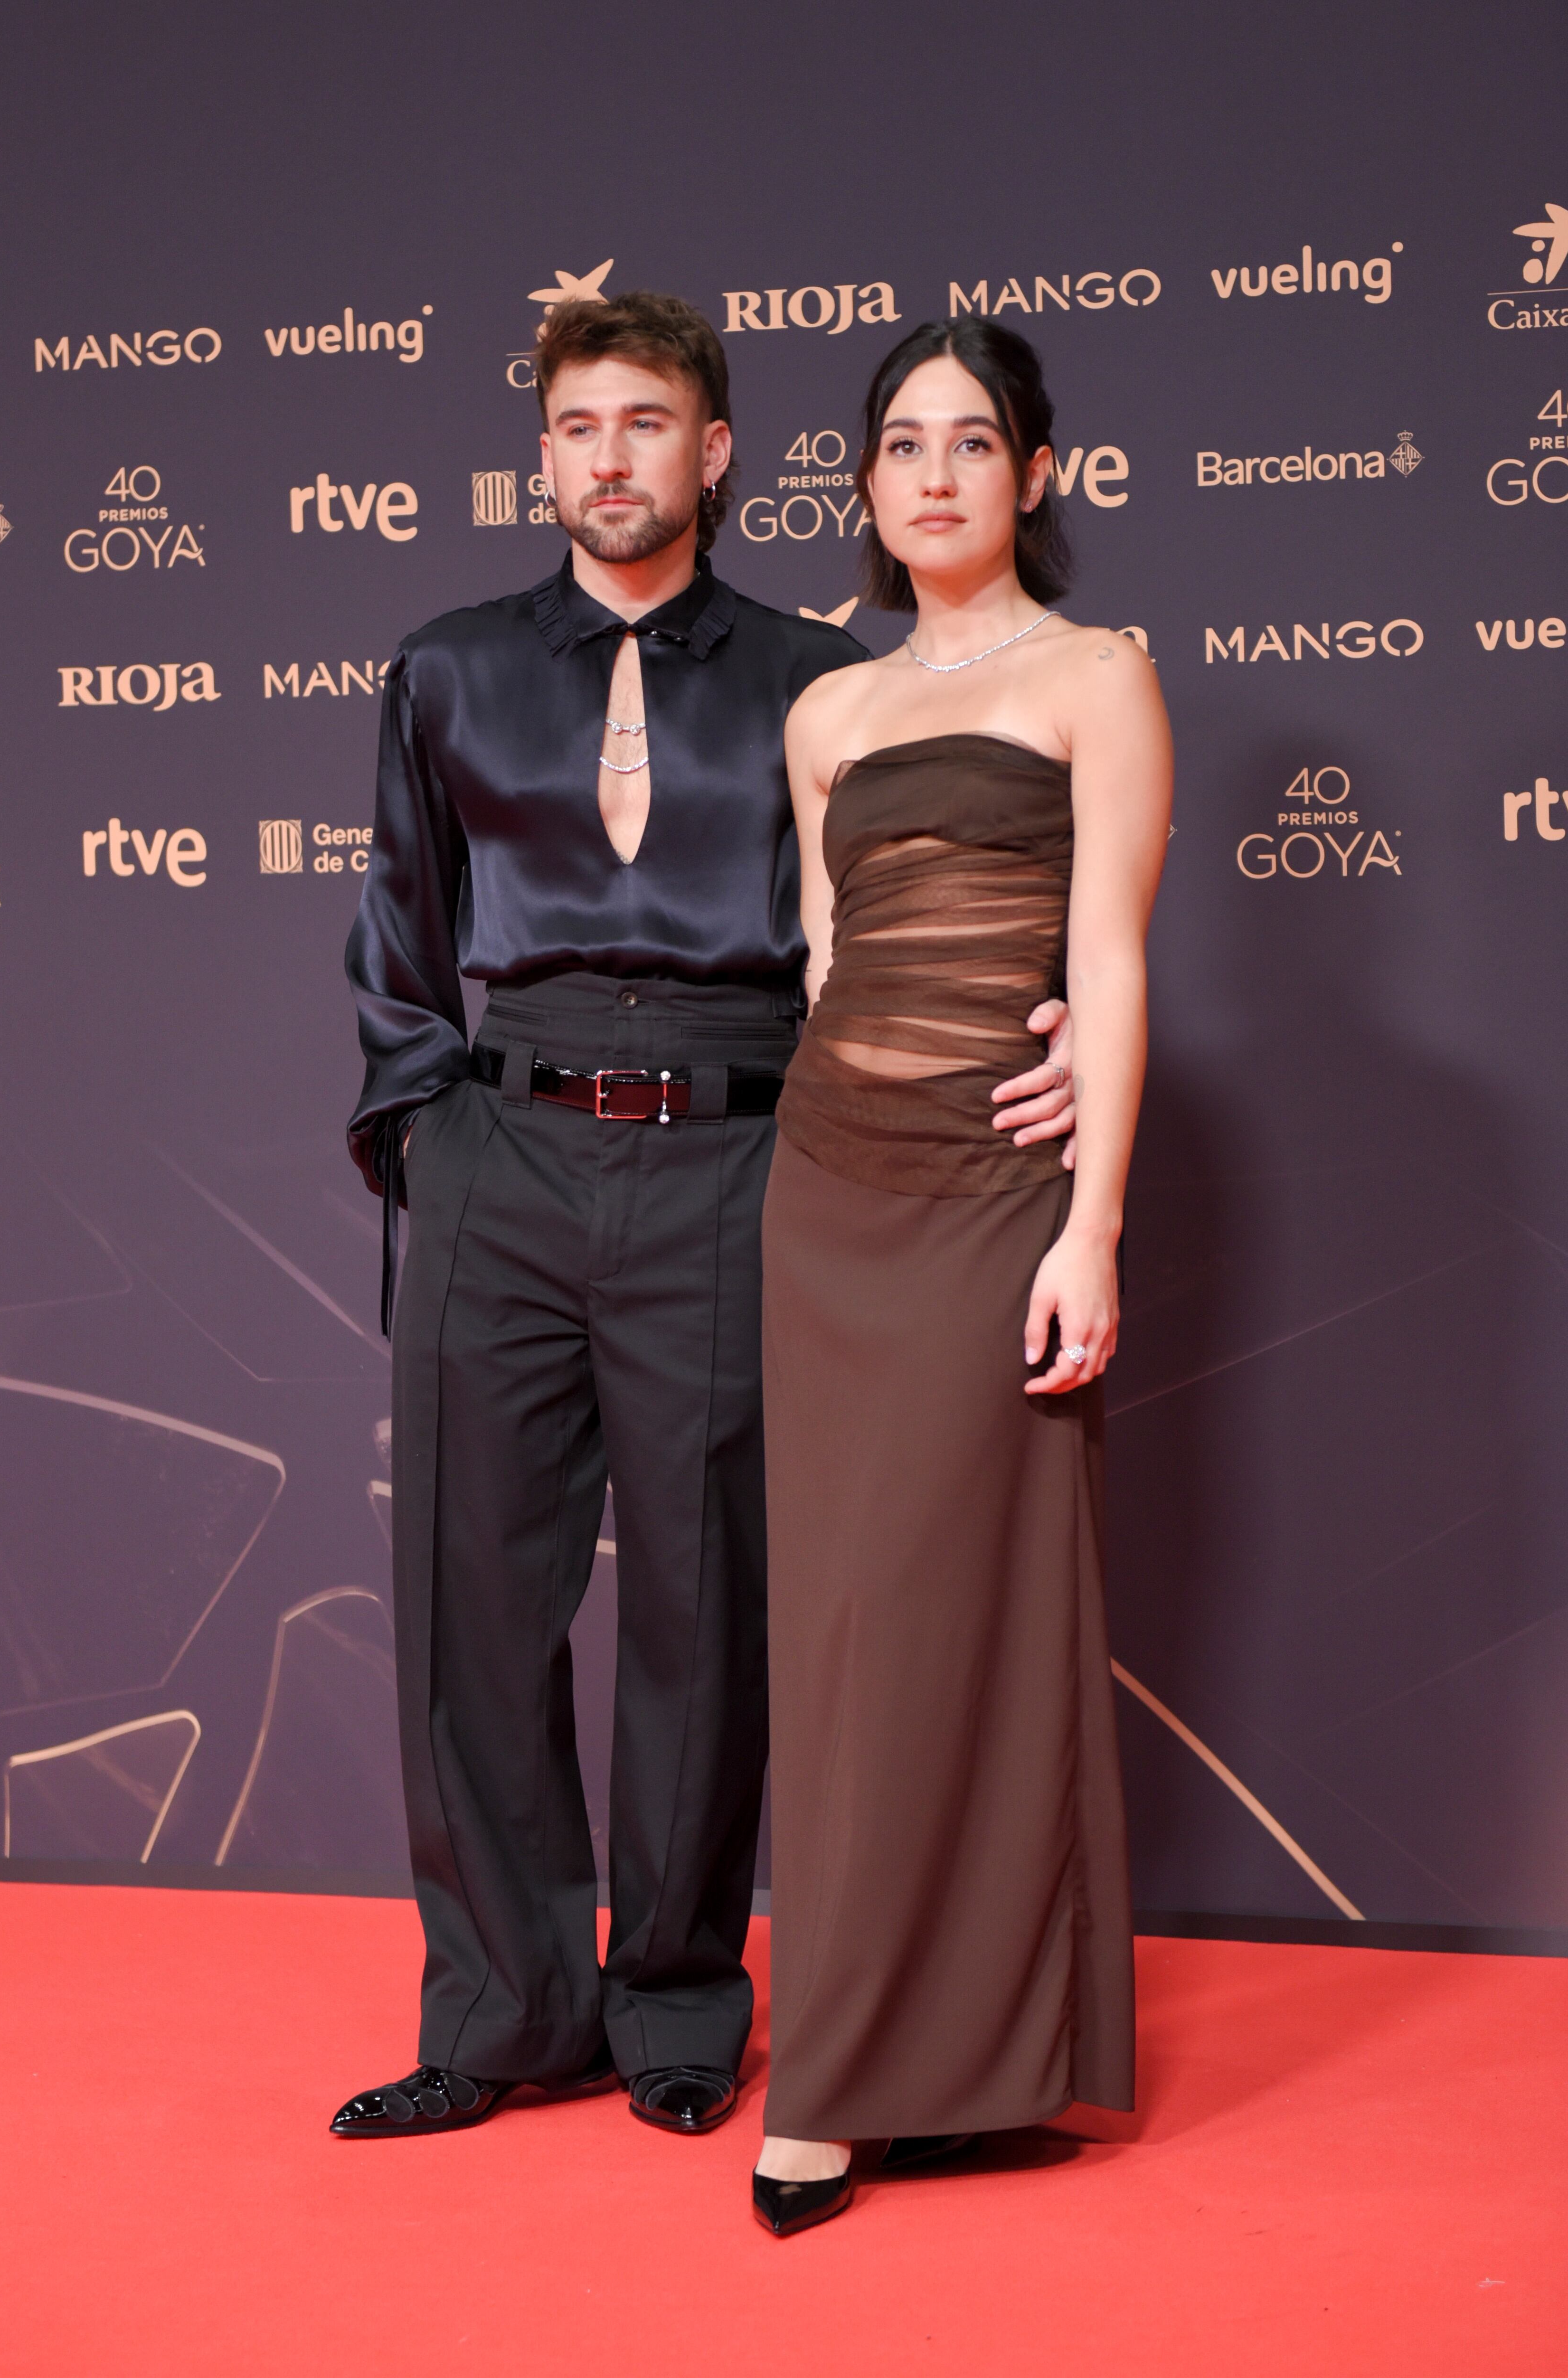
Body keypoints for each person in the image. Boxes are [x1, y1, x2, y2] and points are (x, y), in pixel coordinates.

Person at [332, 292, 1078, 2143]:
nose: (610, 456)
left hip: (746, 1151)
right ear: (545, 453)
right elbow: (398, 942)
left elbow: (900, 925)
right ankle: (504, 2009)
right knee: (471, 1598)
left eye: (647, 421)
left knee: (706, 1595)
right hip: (502, 1146)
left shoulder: (821, 677)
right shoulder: (442, 666)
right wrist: (434, 1143)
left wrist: (1039, 1025)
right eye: (577, 424)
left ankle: (673, 1998)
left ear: (718, 450)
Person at [752, 317, 1172, 2236]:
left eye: (974, 442)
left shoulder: (1100, 674)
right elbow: (833, 963)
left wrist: (1092, 1216)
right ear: (864, 482)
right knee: (840, 1636)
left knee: (969, 1617)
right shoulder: (826, 712)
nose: (934, 474)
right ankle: (846, 2062)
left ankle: (942, 2057)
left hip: (995, 1200)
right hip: (828, 1193)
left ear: (1038, 475)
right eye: (903, 443)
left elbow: (1116, 954)